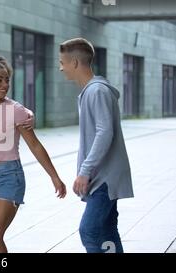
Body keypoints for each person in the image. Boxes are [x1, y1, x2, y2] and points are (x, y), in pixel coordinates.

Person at [0, 55, 67, 253]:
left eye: (7, 79)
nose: (5, 84)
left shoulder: (15, 110)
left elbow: (35, 145)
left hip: (9, 177)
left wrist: (54, 176)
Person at [59, 38, 134, 253]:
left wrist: (85, 171)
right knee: (106, 230)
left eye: (62, 62)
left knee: (90, 230)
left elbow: (105, 132)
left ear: (74, 63)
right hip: (101, 176)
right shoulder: (91, 91)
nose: (60, 67)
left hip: (105, 178)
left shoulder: (96, 91)